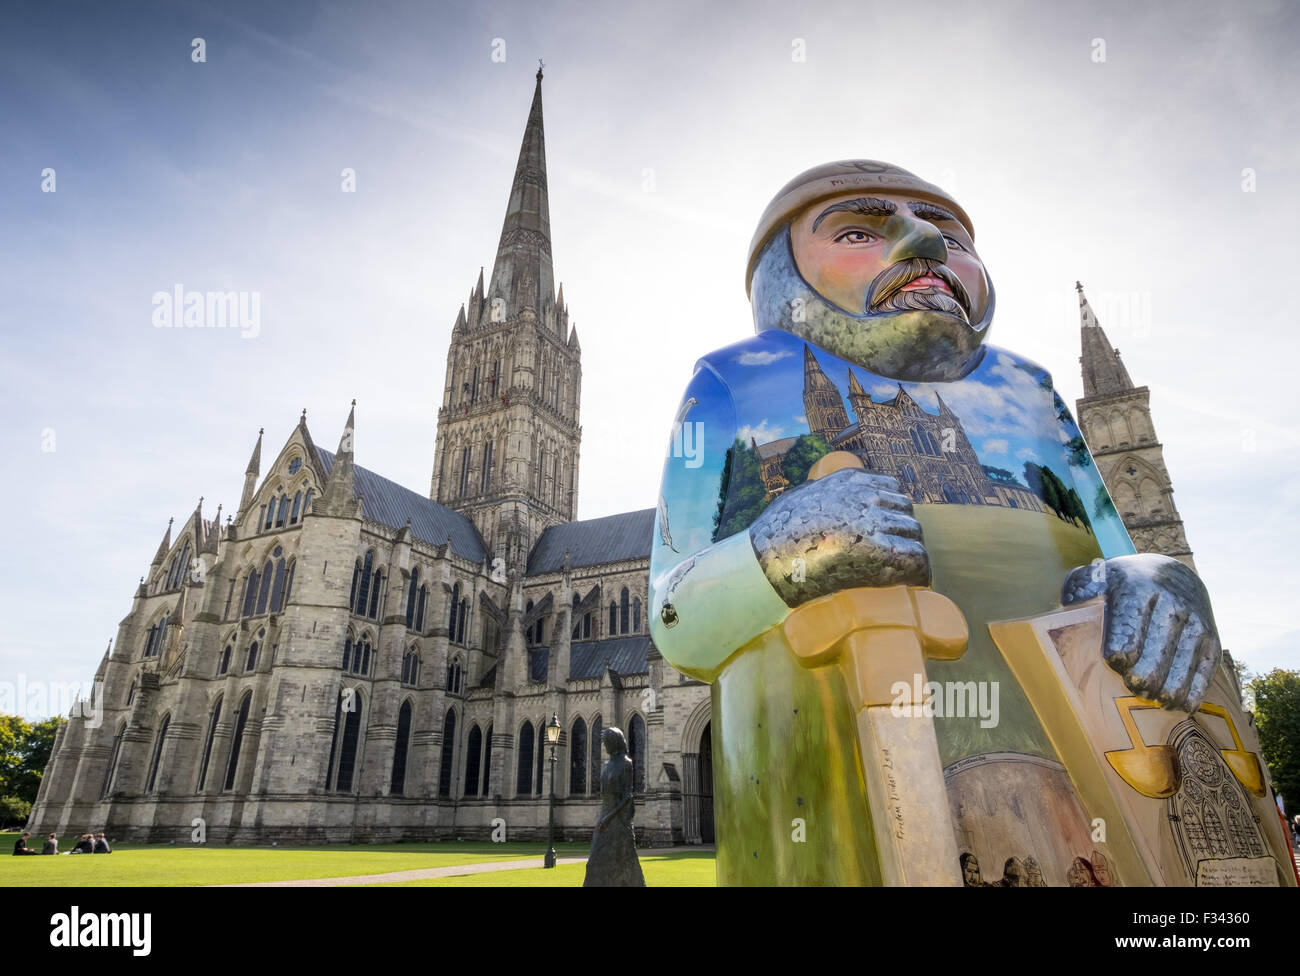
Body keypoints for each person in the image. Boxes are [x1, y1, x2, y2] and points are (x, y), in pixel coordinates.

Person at [649, 160, 1224, 886]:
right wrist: (776, 549)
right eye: (860, 228)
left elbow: (1118, 551)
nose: (922, 243)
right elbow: (671, 613)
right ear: (779, 269)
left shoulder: (1032, 389)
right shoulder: (731, 378)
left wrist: (1159, 579)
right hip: (825, 822)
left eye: (950, 235)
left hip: (1090, 815)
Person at [582, 727, 646, 887]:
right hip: (605, 815)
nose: (605, 747)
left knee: (625, 860)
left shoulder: (626, 763)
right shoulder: (608, 763)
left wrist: (608, 819)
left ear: (615, 742)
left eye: (607, 743)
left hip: (617, 820)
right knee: (594, 863)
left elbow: (627, 796)